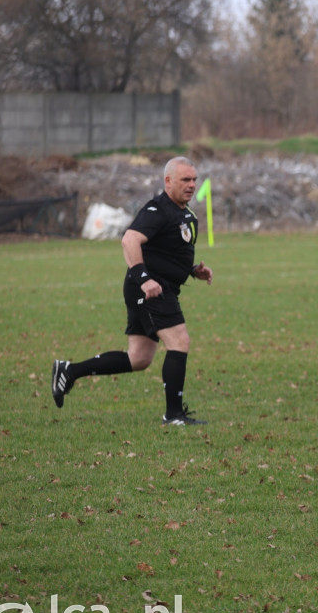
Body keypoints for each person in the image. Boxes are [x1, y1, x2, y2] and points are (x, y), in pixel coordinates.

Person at [50, 156, 214, 425]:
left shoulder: (186, 214)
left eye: (194, 179)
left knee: (139, 358)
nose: (192, 185)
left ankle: (69, 371)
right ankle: (174, 415)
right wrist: (145, 279)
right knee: (179, 342)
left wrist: (193, 270)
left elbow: (168, 252)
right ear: (168, 181)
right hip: (150, 289)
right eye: (185, 179)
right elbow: (130, 239)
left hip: (155, 286)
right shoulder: (157, 209)